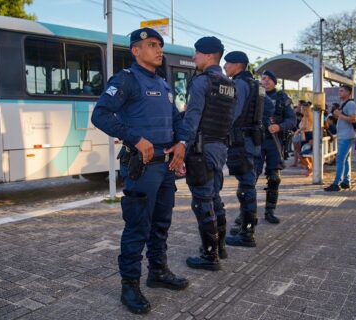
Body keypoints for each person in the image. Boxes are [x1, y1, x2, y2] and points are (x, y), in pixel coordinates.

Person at [91, 27, 189, 315]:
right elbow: (100, 114)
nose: (159, 50)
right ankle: (129, 286)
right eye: (152, 45)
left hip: (166, 167)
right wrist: (135, 137)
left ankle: (158, 272)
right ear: (136, 50)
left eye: (160, 45)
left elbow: (177, 120)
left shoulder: (164, 84)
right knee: (137, 227)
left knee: (161, 224)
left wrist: (181, 143)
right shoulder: (126, 80)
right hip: (141, 167)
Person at [183, 36, 236, 271]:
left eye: (196, 53)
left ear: (207, 55)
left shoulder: (202, 82)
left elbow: (192, 119)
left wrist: (182, 146)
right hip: (220, 148)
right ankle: (220, 247)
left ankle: (209, 256)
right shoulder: (228, 83)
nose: (194, 58)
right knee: (214, 197)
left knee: (202, 201)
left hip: (201, 149)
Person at [222, 51, 264, 248]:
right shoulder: (256, 84)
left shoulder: (239, 84)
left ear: (237, 65)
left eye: (227, 64)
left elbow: (232, 113)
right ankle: (245, 228)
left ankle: (247, 234)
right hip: (253, 138)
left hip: (242, 140)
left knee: (246, 188)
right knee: (247, 185)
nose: (224, 67)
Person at [255, 70, 296, 223]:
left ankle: (269, 211)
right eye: (262, 79)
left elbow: (292, 121)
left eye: (267, 79)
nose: (264, 81)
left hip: (274, 142)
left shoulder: (282, 98)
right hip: (257, 141)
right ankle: (246, 213)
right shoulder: (256, 95)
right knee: (250, 178)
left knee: (274, 178)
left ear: (274, 81)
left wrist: (279, 126)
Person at [324, 85, 356, 192]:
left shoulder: (351, 103)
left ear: (348, 92)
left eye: (342, 91)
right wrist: (339, 114)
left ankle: (336, 183)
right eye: (339, 91)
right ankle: (346, 182)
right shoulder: (345, 104)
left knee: (340, 159)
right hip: (345, 135)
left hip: (346, 136)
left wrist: (339, 114)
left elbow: (353, 119)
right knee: (345, 159)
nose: (340, 93)